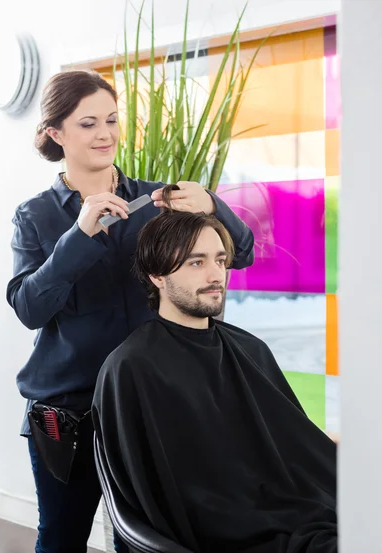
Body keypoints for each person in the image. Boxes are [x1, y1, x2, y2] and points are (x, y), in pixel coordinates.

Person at [6, 70, 255, 553]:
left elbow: (239, 253)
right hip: (67, 413)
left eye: (112, 120)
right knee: (60, 539)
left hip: (152, 404)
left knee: (146, 542)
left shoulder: (161, 201)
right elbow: (30, 308)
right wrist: (78, 236)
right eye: (87, 124)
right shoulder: (34, 215)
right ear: (56, 133)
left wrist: (212, 205)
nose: (105, 134)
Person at [92, 199, 338, 553]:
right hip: (220, 535)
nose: (215, 275)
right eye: (196, 262)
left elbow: (290, 445)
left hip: (290, 514)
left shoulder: (249, 350)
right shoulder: (132, 368)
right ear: (157, 275)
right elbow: (154, 497)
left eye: (220, 260)